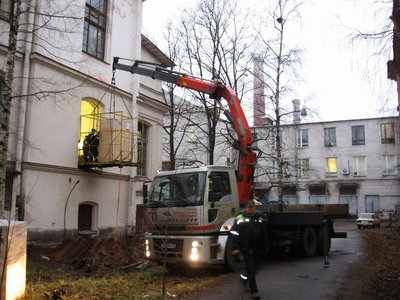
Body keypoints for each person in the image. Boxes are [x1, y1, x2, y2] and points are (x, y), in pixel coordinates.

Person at [231, 199, 267, 299]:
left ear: (255, 207)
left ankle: (245, 279)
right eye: (249, 207)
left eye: (252, 207)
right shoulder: (239, 219)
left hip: (258, 247)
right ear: (246, 208)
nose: (250, 209)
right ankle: (254, 291)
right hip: (246, 248)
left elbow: (265, 232)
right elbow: (234, 234)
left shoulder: (260, 217)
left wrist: (266, 246)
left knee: (256, 267)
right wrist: (237, 247)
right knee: (251, 268)